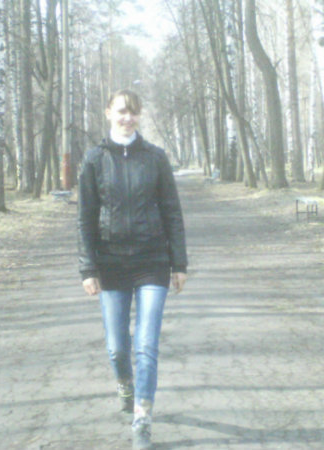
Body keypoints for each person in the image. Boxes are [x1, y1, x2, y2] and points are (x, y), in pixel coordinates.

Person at [78, 89, 188, 449]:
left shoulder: (155, 158)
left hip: (152, 261)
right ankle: (125, 384)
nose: (128, 118)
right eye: (122, 111)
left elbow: (172, 212)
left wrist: (179, 263)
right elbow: (85, 218)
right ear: (109, 112)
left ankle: (142, 418)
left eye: (134, 112)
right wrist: (88, 268)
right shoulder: (94, 159)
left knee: (146, 345)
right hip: (111, 263)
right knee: (117, 348)